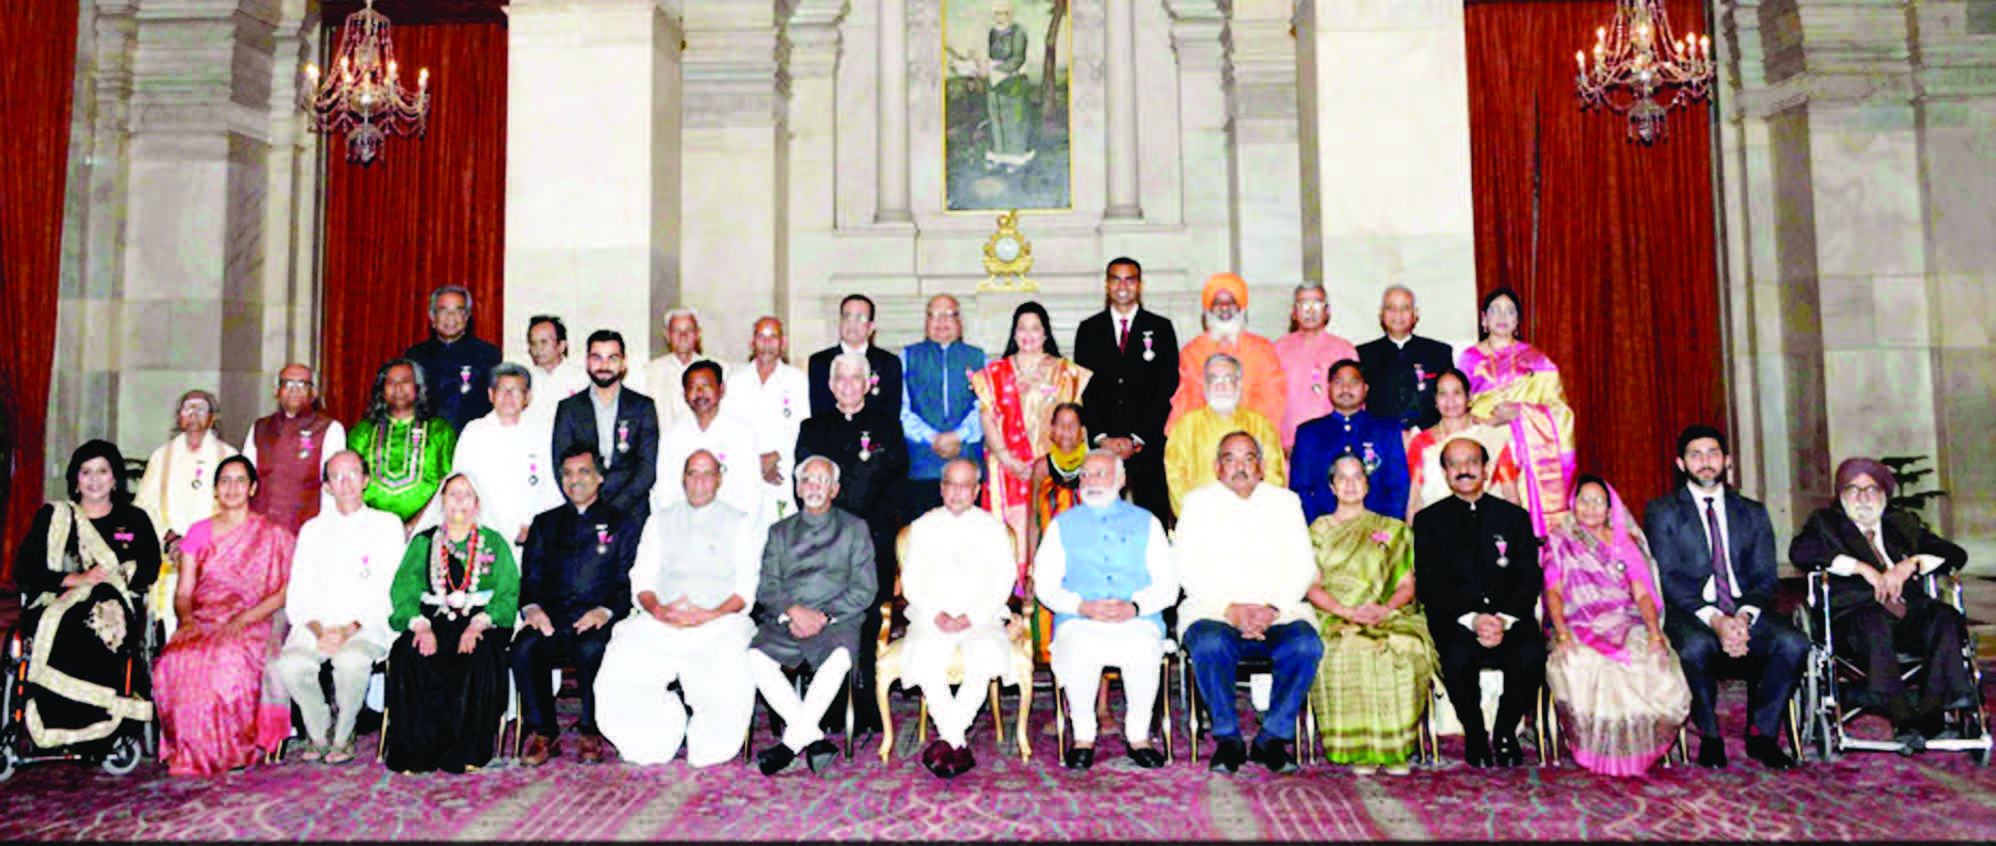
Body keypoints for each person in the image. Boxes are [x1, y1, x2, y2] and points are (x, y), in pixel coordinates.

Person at [1640, 425, 1804, 771]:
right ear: (1681, 464)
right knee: (1695, 647)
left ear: (1727, 462)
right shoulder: (1662, 511)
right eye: (1695, 455)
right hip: (1691, 612)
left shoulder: (1753, 512)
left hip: (1745, 609)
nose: (1705, 462)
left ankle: (1762, 734)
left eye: (1713, 454)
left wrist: (1742, 618)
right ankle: (1711, 737)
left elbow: (1765, 578)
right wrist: (1715, 619)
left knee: (1792, 643)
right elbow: (1667, 579)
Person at [1789, 456, 1972, 751]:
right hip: (1855, 619)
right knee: (1873, 621)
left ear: (1884, 495)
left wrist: (1910, 564)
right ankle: (1902, 717)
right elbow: (1801, 552)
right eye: (1852, 489)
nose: (1863, 497)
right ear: (1841, 496)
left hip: (1907, 614)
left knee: (1945, 616)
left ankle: (1932, 713)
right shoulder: (1826, 524)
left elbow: (1954, 554)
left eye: (1871, 489)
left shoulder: (1903, 524)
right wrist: (1861, 568)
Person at [596, 450, 765, 768]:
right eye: (692, 473)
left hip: (718, 622)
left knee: (733, 656)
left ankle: (712, 744)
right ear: (683, 479)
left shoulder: (740, 522)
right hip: (665, 619)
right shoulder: (660, 520)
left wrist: (708, 615)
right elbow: (642, 581)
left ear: (719, 479)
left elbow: (745, 589)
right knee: (623, 644)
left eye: (707, 474)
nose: (699, 482)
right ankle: (649, 739)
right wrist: (658, 610)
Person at [1175, 431, 1321, 774]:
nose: (1240, 467)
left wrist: (1273, 609)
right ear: (1217, 467)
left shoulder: (1286, 502)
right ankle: (1228, 738)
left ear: (1262, 466)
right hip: (1214, 609)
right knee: (1209, 644)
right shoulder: (1197, 503)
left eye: (1248, 458)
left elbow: (1303, 565)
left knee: (1305, 645)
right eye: (1230, 458)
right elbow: (1184, 566)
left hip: (1278, 610)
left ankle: (1272, 737)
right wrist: (1230, 609)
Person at [11, 440, 161, 756]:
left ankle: (97, 730)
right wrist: (74, 580)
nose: (94, 479)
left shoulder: (135, 520)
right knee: (67, 626)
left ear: (115, 478)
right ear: (75, 479)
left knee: (98, 620)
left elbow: (149, 568)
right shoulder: (54, 517)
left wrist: (114, 577)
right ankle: (56, 724)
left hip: (112, 609)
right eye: (86, 472)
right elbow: (26, 570)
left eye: (102, 471)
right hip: (56, 603)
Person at [1033, 449, 1177, 772]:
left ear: (1120, 478)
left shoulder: (1148, 522)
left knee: (1142, 647)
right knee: (1080, 647)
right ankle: (1084, 736)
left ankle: (1138, 736)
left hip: (1136, 616)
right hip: (1081, 616)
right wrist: (1080, 606)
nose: (1091, 481)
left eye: (1100, 473)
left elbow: (1168, 584)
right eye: (1085, 475)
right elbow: (1045, 583)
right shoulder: (1061, 525)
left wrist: (1135, 606)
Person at [154, 456, 295, 777]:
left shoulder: (273, 535)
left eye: (240, 480)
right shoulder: (199, 532)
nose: (232, 488)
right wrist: (188, 621)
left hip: (253, 619)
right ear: (215, 489)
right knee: (177, 658)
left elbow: (284, 592)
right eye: (225, 481)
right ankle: (187, 752)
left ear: (253, 488)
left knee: (228, 656)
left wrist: (242, 620)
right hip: (203, 617)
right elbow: (184, 592)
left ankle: (232, 750)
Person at [1542, 475, 1691, 777]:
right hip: (1577, 623)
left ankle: (1634, 750)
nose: (1591, 507)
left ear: (1611, 509)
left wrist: (1654, 633)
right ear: (1573, 504)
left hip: (1626, 621)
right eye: (1584, 500)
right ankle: (1597, 750)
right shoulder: (1560, 543)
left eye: (1599, 501)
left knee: (1645, 659)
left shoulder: (1626, 543)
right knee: (1581, 661)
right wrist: (1561, 633)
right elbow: (1554, 592)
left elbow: (1641, 593)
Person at [1413, 437, 1544, 768]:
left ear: (1486, 469)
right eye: (1454, 464)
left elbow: (1529, 577)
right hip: (1456, 619)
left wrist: (1502, 618)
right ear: (1444, 472)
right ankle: (1474, 732)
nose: (1464, 470)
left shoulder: (1514, 518)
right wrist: (1472, 619)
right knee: (1456, 655)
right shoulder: (1429, 521)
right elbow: (1430, 583)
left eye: (1472, 462)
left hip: (1509, 618)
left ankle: (1504, 732)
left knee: (1531, 653)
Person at [1304, 453, 1434, 776]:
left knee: (1406, 647)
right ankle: (1357, 750)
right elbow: (1312, 587)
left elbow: (1407, 585)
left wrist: (1384, 609)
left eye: (1357, 477)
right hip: (1335, 616)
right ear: (1332, 487)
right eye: (1342, 478)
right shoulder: (1316, 531)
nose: (1350, 484)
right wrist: (1346, 611)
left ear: (1367, 484)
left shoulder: (1393, 529)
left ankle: (1396, 750)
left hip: (1388, 614)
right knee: (1350, 649)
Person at [748, 456, 880, 776]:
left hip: (837, 620)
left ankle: (789, 745)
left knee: (840, 659)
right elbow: (766, 586)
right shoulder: (779, 531)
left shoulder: (855, 528)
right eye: (807, 480)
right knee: (754, 658)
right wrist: (792, 612)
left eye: (822, 481)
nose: (814, 487)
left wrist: (823, 615)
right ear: (797, 487)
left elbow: (865, 589)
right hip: (787, 620)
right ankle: (814, 739)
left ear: (834, 489)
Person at [511, 445, 641, 767]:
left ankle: (591, 729)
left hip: (597, 616)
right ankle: (544, 731)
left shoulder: (622, 523)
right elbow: (530, 579)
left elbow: (628, 582)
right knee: (524, 647)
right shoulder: (544, 523)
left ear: (599, 477)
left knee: (590, 649)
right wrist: (532, 609)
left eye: (584, 472)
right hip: (552, 618)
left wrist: (604, 612)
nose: (575, 480)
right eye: (567, 474)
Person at [382, 473, 520, 774]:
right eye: (453, 494)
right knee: (407, 654)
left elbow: (508, 592)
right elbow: (403, 589)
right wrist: (420, 626)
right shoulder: (423, 542)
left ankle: (468, 751)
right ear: (441, 500)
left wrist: (477, 626)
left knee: (480, 656)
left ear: (478, 503)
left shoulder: (494, 543)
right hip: (431, 620)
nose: (459, 501)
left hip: (480, 623)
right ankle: (416, 752)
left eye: (467, 495)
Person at [273, 450, 403, 766]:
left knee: (350, 661)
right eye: (336, 476)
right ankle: (318, 733)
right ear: (327, 486)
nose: (345, 483)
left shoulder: (387, 525)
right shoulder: (312, 530)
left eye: (353, 475)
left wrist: (349, 629)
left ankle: (345, 736)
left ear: (366, 480)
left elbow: (390, 590)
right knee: (290, 665)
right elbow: (299, 592)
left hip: (368, 624)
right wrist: (319, 630)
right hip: (317, 625)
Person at [900, 458, 1016, 778]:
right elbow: (911, 580)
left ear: (977, 490)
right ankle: (956, 741)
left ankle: (947, 738)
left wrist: (971, 616)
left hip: (981, 616)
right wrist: (936, 614)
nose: (957, 492)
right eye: (951, 484)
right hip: (931, 615)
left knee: (983, 657)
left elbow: (1003, 580)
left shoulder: (993, 528)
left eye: (965, 485)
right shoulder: (923, 526)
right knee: (925, 657)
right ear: (941, 488)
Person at [969, 301, 1091, 581]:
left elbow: (1074, 421)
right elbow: (988, 417)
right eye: (1022, 328)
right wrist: (1007, 458)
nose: (1028, 334)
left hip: (1054, 470)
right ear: (1013, 333)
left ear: (1046, 334)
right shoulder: (994, 374)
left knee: (1050, 534)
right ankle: (1012, 607)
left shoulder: (1065, 373)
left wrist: (1045, 463)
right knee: (1008, 539)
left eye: (1035, 328)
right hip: (1006, 468)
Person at [1457, 287, 1574, 537]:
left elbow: (1561, 411)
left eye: (1509, 311)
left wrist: (1521, 412)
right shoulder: (1468, 360)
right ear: (1483, 319)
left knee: (1521, 531)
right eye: (1495, 310)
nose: (1502, 316)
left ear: (1517, 322)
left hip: (1528, 454)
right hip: (1483, 446)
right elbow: (1454, 403)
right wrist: (1480, 422)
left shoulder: (1537, 361)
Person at [1072, 257, 1180, 525]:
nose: (1123, 286)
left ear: (1139, 285)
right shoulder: (1089, 329)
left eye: (1129, 279)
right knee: (1100, 516)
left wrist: (1137, 437)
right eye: (1116, 279)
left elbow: (1168, 386)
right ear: (1107, 285)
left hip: (1146, 442)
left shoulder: (1161, 328)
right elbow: (1084, 387)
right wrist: (1101, 436)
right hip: (1103, 443)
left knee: (1152, 514)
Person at [450, 362, 564, 558]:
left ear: (527, 397)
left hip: (530, 537)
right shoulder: (474, 432)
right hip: (482, 536)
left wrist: (533, 526)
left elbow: (552, 487)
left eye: (516, 390)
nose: (509, 396)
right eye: (502, 389)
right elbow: (460, 487)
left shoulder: (543, 432)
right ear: (490, 395)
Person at [551, 329, 661, 524]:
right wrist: (587, 505)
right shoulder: (569, 409)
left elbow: (647, 468)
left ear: (624, 362)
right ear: (587, 362)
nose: (604, 365)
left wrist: (614, 508)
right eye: (597, 358)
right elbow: (560, 465)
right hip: (582, 512)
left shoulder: (642, 407)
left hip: (632, 513)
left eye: (612, 358)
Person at [1163, 353, 1286, 518]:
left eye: (1228, 379)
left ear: (1239, 384)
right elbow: (1175, 477)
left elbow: (1274, 476)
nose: (1221, 387)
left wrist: (1256, 514)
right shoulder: (1186, 426)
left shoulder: (1260, 424)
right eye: (1214, 380)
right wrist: (1196, 516)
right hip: (1202, 519)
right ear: (1204, 384)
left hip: (1254, 518)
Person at [898, 294, 986, 523]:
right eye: (934, 315)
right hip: (922, 464)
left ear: (960, 321)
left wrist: (959, 436)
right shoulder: (908, 357)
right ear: (926, 321)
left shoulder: (978, 358)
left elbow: (984, 406)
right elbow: (901, 408)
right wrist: (932, 437)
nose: (941, 322)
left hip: (966, 460)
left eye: (949, 315)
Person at [1289, 359, 1408, 525]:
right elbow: (1301, 488)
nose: (1345, 389)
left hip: (1377, 531)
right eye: (1339, 382)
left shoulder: (1386, 431)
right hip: (1324, 533)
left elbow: (1398, 487)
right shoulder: (1309, 433)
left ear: (1365, 389)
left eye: (1353, 382)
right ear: (1329, 387)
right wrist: (1318, 527)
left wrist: (1387, 528)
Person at [1166, 272, 1286, 435]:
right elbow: (1186, 402)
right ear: (1208, 309)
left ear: (1241, 308)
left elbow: (1272, 402)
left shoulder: (1263, 351)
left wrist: (1240, 436)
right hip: (1203, 439)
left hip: (1251, 440)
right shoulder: (1192, 352)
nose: (1224, 307)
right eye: (1217, 302)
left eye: (1231, 302)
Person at [346, 359, 457, 531]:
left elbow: (448, 483)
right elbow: (350, 483)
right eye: (391, 382)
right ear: (382, 390)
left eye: (405, 381)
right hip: (369, 531)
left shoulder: (440, 431)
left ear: (418, 388)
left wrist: (415, 525)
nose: (398, 388)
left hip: (426, 530)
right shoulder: (363, 432)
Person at [652, 359, 764, 522]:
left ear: (721, 389)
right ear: (684, 394)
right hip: (683, 527)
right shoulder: (672, 437)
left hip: (730, 526)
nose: (699, 393)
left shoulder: (741, 434)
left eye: (706, 386)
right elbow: (664, 492)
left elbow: (751, 493)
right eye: (693, 388)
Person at [242, 364, 347, 535]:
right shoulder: (260, 428)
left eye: (302, 384)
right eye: (288, 384)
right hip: (260, 529)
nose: (294, 390)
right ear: (276, 391)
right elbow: (245, 479)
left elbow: (333, 487)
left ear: (313, 393)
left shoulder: (329, 429)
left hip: (306, 530)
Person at [1405, 367, 1520, 522]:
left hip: (1487, 524)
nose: (1450, 400)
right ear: (1435, 400)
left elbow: (1510, 493)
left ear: (1469, 397)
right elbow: (1415, 497)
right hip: (1439, 527)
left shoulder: (1492, 437)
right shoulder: (1421, 442)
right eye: (1443, 394)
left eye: (1457, 393)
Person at [727, 316, 811, 525]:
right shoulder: (735, 381)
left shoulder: (797, 380)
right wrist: (756, 462)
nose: (767, 343)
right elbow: (730, 429)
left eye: (773, 337)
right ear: (751, 343)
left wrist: (775, 456)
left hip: (782, 476)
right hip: (744, 475)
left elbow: (802, 428)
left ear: (783, 343)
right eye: (761, 336)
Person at [135, 389, 239, 554]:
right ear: (179, 418)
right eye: (188, 408)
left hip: (214, 550)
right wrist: (168, 536)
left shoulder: (229, 457)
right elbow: (144, 505)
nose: (194, 413)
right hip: (169, 550)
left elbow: (239, 507)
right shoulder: (161, 457)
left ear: (212, 418)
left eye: (201, 408)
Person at [403, 285, 503, 433]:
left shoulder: (487, 355)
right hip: (427, 441)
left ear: (467, 317)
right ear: (432, 316)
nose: (451, 317)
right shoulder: (415, 356)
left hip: (471, 439)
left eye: (458, 311)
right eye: (443, 311)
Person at [1356, 285, 1455, 434]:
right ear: (1381, 314)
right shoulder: (1363, 355)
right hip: (1379, 438)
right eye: (1391, 308)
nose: (1398, 314)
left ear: (1415, 314)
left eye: (1405, 308)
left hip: (1430, 436)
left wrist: (1419, 431)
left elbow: (1448, 399)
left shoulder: (1438, 352)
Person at [1272, 283, 1360, 451]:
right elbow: (1270, 400)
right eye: (1304, 304)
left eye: (1316, 304)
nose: (1310, 311)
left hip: (1334, 445)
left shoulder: (1344, 350)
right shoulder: (1277, 350)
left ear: (1327, 311)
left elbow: (1355, 403)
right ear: (1294, 312)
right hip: (1288, 448)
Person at [808, 294, 903, 419]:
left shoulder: (888, 363)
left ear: (871, 327)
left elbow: (891, 413)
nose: (852, 324)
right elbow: (819, 410)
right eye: (847, 317)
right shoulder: (820, 362)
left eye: (860, 318)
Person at [640, 306, 726, 433]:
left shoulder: (717, 369)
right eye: (676, 331)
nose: (683, 336)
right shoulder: (650, 372)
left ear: (698, 334)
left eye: (689, 330)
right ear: (667, 335)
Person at [982, 1, 1034, 171]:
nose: (999, 18)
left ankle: (1015, 158)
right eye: (996, 14)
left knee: (1013, 120)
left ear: (1010, 15)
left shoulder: (1018, 32)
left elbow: (1018, 59)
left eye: (1003, 13)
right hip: (995, 80)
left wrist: (998, 70)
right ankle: (999, 155)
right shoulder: (992, 32)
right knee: (996, 117)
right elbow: (992, 55)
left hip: (1013, 81)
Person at [524, 315, 591, 428]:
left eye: (544, 342)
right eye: (533, 343)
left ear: (562, 345)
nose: (538, 349)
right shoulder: (525, 379)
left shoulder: (582, 378)